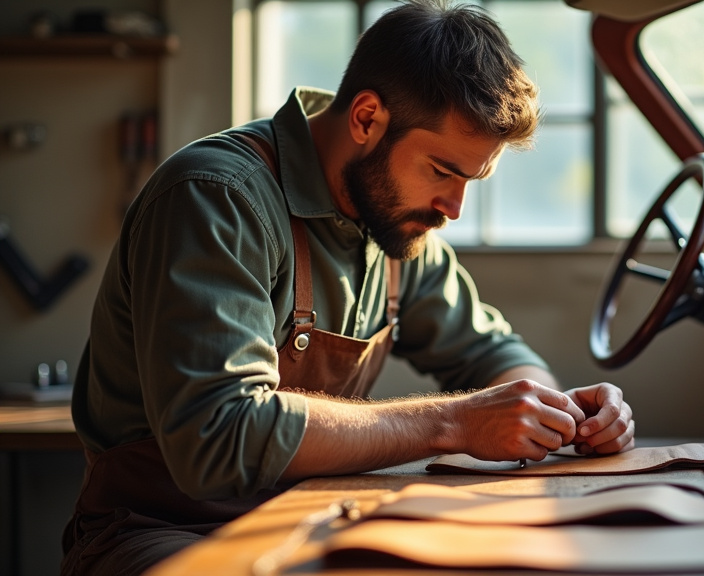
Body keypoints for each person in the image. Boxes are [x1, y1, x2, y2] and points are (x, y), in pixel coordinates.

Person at [61, 1, 635, 574]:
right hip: (162, 531)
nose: (454, 209)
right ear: (366, 118)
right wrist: (454, 423)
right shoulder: (217, 199)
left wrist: (555, 413)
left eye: (471, 180)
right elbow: (220, 437)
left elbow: (493, 353)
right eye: (442, 171)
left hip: (309, 514)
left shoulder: (398, 227)